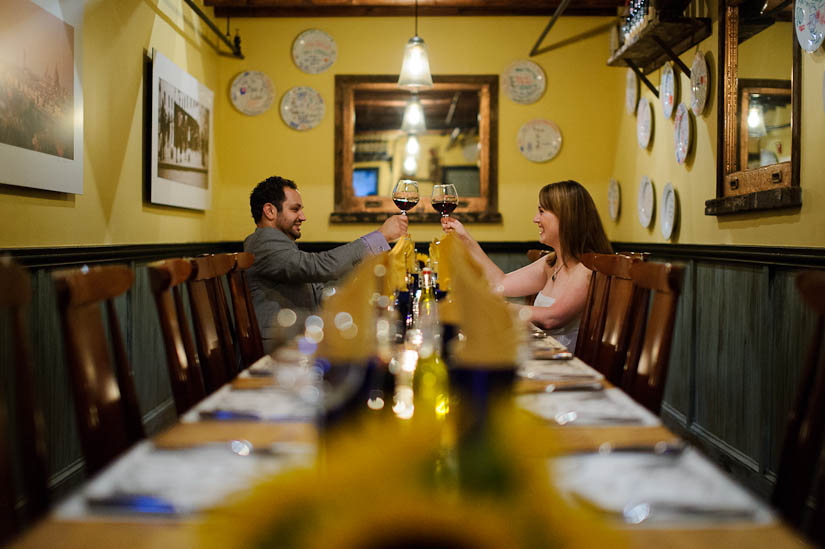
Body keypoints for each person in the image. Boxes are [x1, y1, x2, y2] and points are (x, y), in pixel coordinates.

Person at [441, 180, 612, 349]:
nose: (535, 219)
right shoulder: (552, 262)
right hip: (541, 354)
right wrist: (465, 238)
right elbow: (501, 283)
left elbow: (552, 318)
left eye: (541, 211)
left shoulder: (586, 269)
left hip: (565, 366)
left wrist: (496, 307)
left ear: (566, 216)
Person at [244, 176, 408, 347]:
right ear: (270, 211)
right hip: (277, 349)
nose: (303, 217)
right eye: (295, 209)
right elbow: (318, 267)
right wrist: (380, 237)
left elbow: (319, 289)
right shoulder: (263, 243)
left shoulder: (278, 245)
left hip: (297, 338)